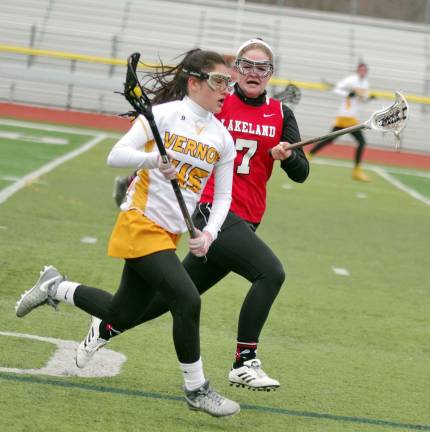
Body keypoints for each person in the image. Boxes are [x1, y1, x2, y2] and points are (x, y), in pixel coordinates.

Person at [15, 48, 241, 417]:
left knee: (120, 312)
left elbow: (225, 196)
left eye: (228, 83)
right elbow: (116, 155)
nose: (225, 90)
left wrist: (210, 233)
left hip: (169, 234)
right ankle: (196, 389)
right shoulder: (164, 116)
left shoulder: (222, 138)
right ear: (195, 81)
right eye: (219, 81)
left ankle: (55, 287)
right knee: (187, 299)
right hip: (139, 221)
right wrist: (152, 160)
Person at [78, 38, 309, 390]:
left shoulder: (281, 114)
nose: (253, 73)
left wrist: (289, 156)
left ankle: (108, 324)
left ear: (270, 74)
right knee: (270, 273)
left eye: (262, 67)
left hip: (246, 219)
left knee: (172, 298)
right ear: (234, 71)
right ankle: (244, 361)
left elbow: (301, 172)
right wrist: (138, 172)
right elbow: (179, 130)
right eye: (246, 65)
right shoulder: (217, 100)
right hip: (209, 210)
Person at [308, 62, 371, 182]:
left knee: (331, 139)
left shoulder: (366, 84)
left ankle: (309, 155)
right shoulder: (351, 80)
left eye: (365, 70)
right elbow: (336, 89)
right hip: (344, 116)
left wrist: (368, 99)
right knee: (360, 142)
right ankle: (356, 171)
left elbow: (361, 100)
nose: (363, 72)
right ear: (357, 70)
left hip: (352, 118)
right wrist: (348, 94)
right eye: (361, 70)